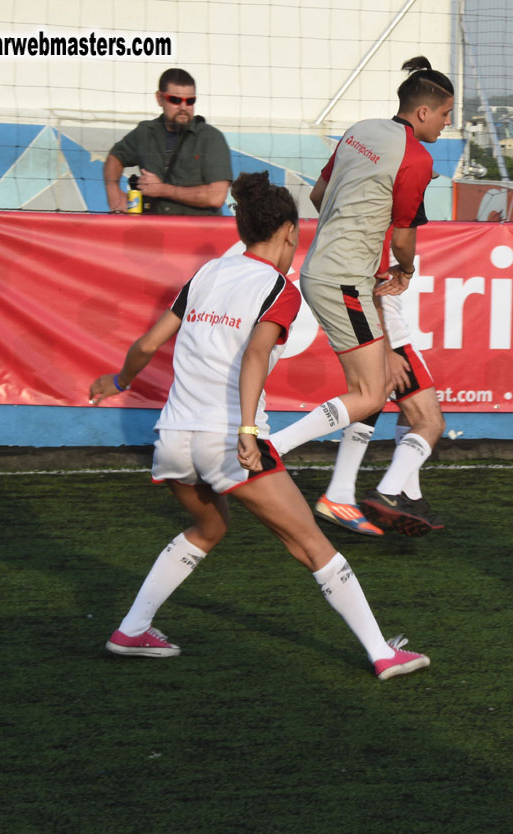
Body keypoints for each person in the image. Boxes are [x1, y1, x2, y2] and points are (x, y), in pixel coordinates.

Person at [88, 171, 429, 681]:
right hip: (227, 439)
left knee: (210, 527)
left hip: (173, 438)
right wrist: (249, 432)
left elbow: (146, 344)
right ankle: (382, 652)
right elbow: (254, 357)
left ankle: (132, 628)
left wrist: (117, 380)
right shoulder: (278, 288)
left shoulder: (206, 274)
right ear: (289, 232)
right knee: (311, 543)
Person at [268, 56, 453, 533]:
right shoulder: (415, 158)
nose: (449, 122)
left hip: (335, 271)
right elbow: (403, 239)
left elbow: (318, 195)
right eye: (447, 113)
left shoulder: (360, 130)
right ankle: (272, 452)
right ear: (424, 112)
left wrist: (352, 225)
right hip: (352, 279)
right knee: (391, 401)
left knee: (372, 394)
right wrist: (406, 270)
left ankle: (370, 494)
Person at [314, 275, 447, 538]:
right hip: (392, 340)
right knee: (431, 422)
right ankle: (387, 492)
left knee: (388, 407)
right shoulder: (384, 234)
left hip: (378, 334)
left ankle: (409, 495)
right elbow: (374, 290)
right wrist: (388, 349)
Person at [103, 68, 232, 215]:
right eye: (175, 100)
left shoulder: (211, 138)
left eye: (190, 101)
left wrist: (162, 189)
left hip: (197, 234)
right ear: (160, 98)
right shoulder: (144, 132)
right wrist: (114, 194)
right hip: (152, 233)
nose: (183, 107)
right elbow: (115, 158)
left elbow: (216, 196)